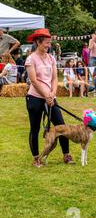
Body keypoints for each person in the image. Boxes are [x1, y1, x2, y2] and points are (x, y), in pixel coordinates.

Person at [24, 28, 73, 167]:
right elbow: (33, 80)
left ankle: (66, 154)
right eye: (46, 42)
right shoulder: (31, 58)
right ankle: (36, 158)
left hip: (51, 97)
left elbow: (55, 78)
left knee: (61, 126)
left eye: (49, 43)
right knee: (35, 129)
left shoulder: (51, 58)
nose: (48, 45)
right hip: (35, 97)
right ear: (38, 42)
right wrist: (45, 95)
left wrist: (52, 93)